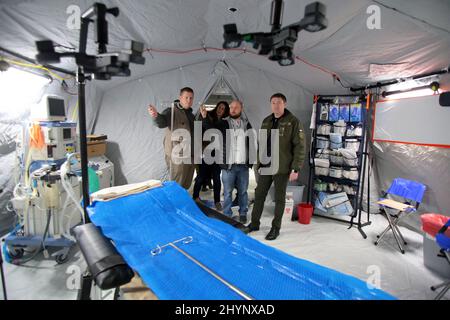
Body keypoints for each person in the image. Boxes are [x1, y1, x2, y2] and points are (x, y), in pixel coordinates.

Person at [247, 93, 305, 240]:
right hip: (266, 166)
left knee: (280, 199)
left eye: (279, 102)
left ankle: (276, 228)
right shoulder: (266, 121)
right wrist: (259, 163)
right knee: (259, 195)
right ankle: (254, 223)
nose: (276, 105)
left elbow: (300, 146)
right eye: (273, 102)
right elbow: (261, 144)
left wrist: (295, 168)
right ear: (270, 104)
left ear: (284, 104)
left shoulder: (293, 122)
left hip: (282, 167)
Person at [147, 87, 196, 189]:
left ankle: (181, 203)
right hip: (177, 157)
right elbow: (162, 122)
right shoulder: (172, 111)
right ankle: (174, 204)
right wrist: (156, 116)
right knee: (176, 185)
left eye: (191, 98)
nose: (189, 100)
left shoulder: (191, 115)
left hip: (190, 156)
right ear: (180, 97)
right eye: (186, 97)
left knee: (186, 184)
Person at [218, 100, 254, 223]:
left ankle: (243, 213)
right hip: (229, 166)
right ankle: (227, 214)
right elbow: (209, 128)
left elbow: (252, 143)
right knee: (227, 192)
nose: (233, 109)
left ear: (241, 108)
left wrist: (251, 161)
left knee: (243, 192)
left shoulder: (247, 124)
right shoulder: (222, 123)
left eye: (236, 107)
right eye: (231, 107)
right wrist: (205, 117)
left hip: (243, 166)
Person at [193, 101, 230, 211]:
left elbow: (214, 131)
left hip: (217, 154)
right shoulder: (207, 116)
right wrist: (204, 118)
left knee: (216, 178)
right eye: (219, 107)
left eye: (223, 108)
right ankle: (195, 197)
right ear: (216, 107)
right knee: (201, 176)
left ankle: (217, 201)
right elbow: (201, 130)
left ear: (225, 112)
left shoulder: (224, 123)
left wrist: (205, 120)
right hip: (206, 152)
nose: (220, 110)